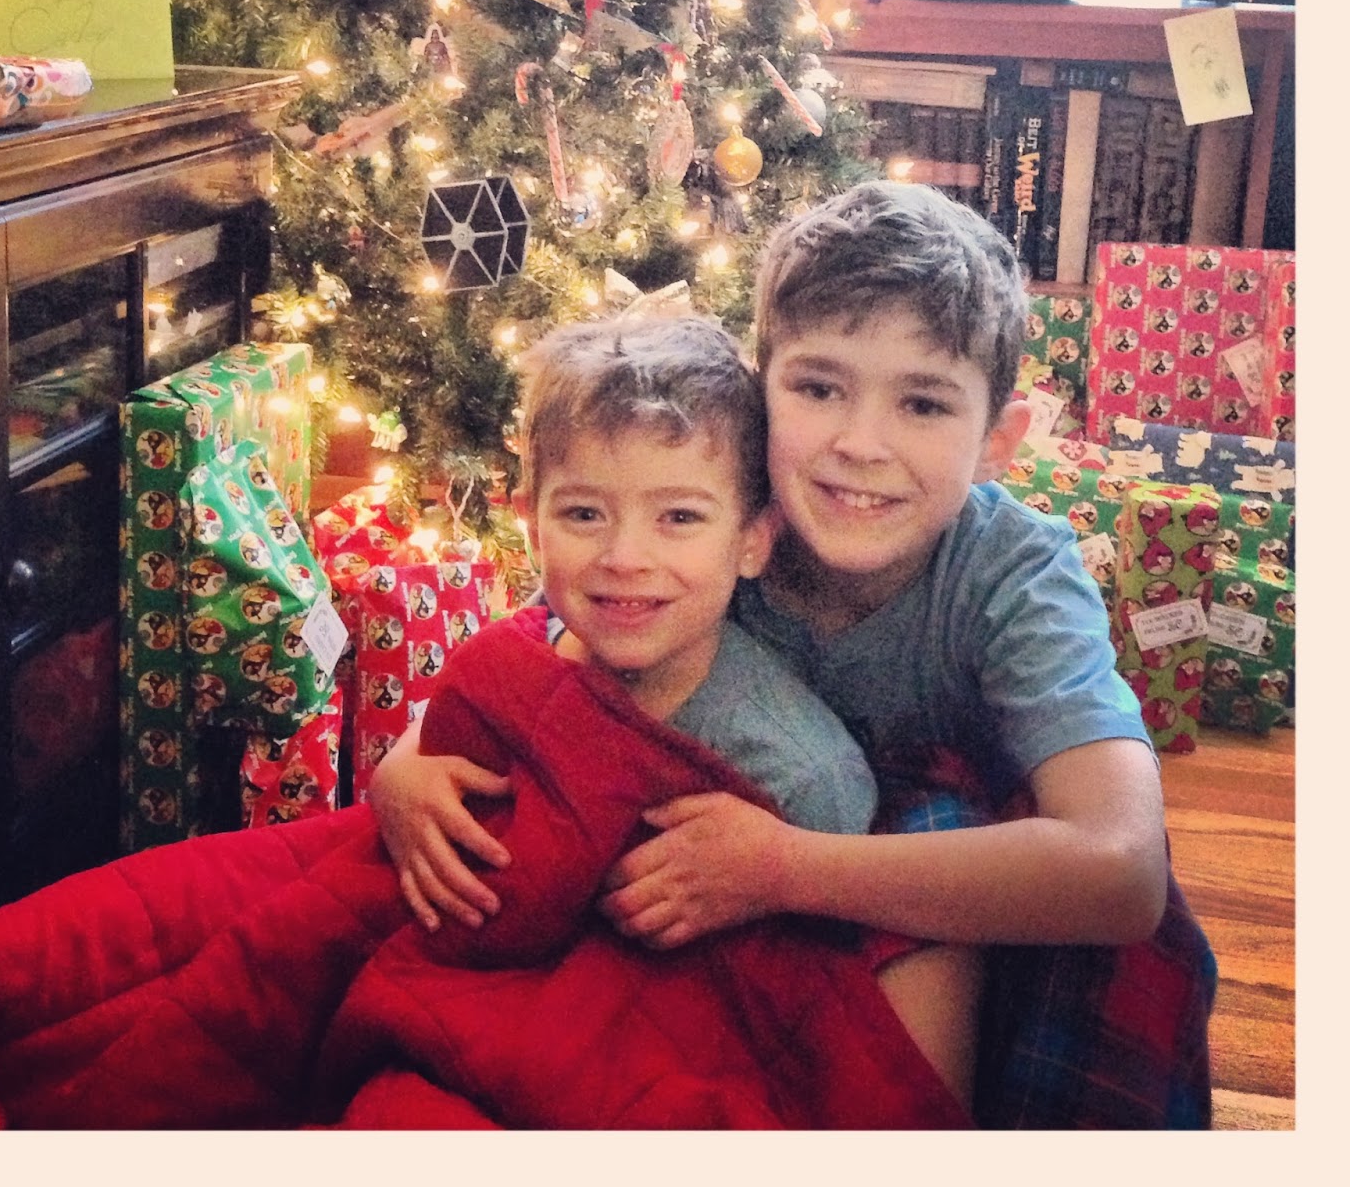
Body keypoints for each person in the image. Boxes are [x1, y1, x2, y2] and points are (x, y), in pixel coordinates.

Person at [372, 181, 1189, 1123]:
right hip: (699, 880)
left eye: (924, 403)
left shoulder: (1017, 575)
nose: (860, 444)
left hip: (941, 891)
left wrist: (784, 868)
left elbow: (1122, 867)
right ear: (759, 396)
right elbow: (553, 646)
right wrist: (403, 766)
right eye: (818, 388)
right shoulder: (714, 516)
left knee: (951, 846)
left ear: (997, 441)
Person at [381, 307, 984, 1108]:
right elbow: (456, 738)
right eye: (584, 514)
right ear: (531, 524)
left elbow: (807, 1000)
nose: (625, 557)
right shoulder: (530, 649)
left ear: (753, 540)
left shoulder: (798, 773)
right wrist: (398, 782)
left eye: (680, 518)